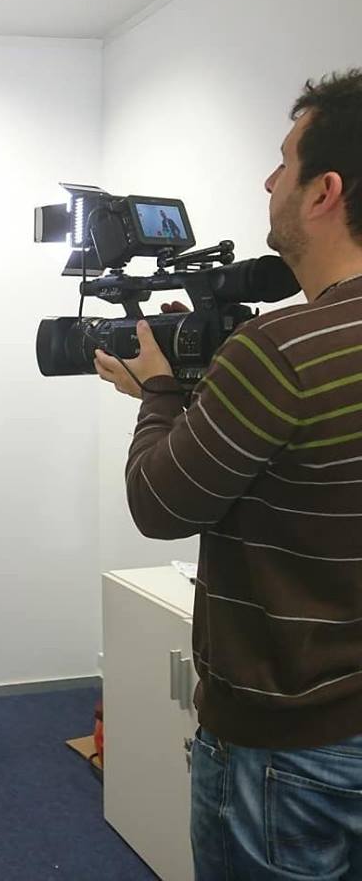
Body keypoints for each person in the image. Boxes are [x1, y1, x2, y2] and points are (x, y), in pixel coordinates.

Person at [94, 69, 362, 879]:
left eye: (283, 163)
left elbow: (159, 504)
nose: (268, 182)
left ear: (325, 192)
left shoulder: (280, 348)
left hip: (289, 747)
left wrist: (160, 391)